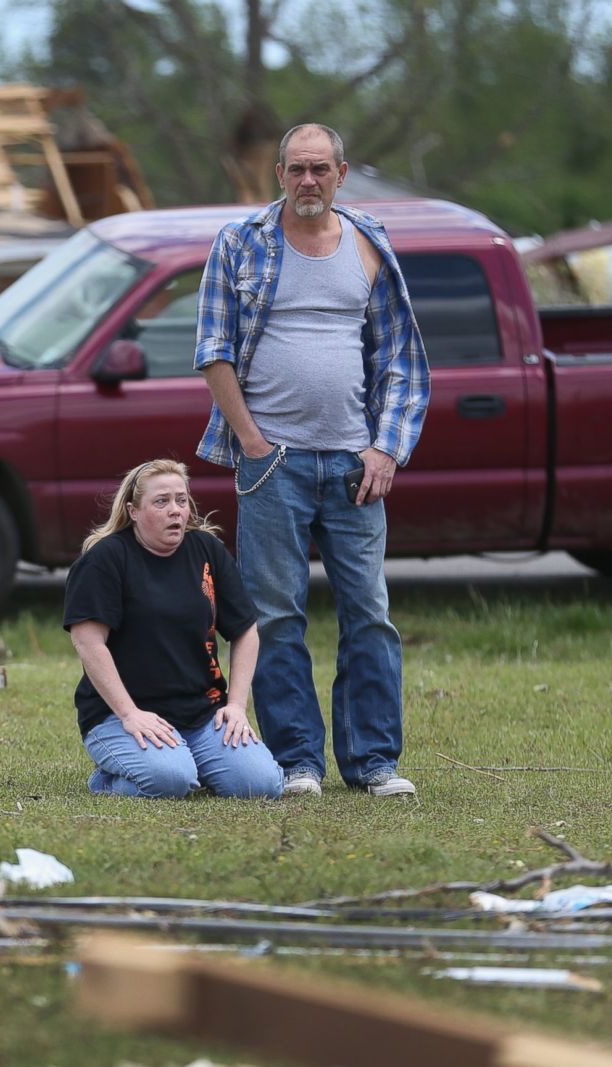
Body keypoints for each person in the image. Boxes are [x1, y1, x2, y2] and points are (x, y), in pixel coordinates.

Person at [194, 123, 430, 798]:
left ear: (342, 172)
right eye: (296, 169)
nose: (308, 181)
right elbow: (212, 350)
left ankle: (374, 763)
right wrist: (253, 443)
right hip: (275, 464)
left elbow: (399, 358)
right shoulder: (240, 242)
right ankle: (298, 762)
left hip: (356, 465)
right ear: (278, 174)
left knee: (369, 612)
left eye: (320, 169)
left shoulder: (369, 243)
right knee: (275, 616)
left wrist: (387, 446)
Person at [64, 459, 283, 800]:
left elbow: (245, 631)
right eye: (161, 502)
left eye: (182, 500)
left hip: (201, 713)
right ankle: (108, 781)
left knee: (262, 785)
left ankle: (187, 758)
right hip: (120, 715)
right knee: (172, 781)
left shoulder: (206, 550)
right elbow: (88, 641)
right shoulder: (105, 559)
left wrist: (237, 705)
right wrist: (130, 714)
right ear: (133, 510)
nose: (176, 511)